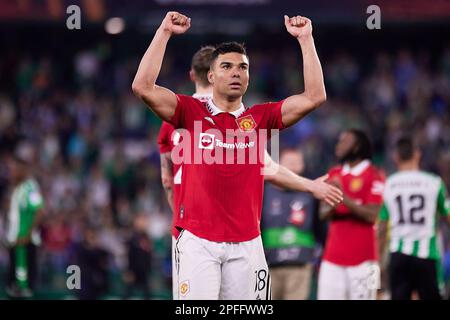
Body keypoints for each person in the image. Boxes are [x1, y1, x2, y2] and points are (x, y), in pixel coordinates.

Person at [133, 11, 330, 299]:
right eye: (227, 66)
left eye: (243, 67)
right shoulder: (190, 112)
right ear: (210, 76)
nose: (236, 72)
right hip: (198, 242)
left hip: (248, 245)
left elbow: (315, 96)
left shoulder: (261, 117)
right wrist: (163, 32)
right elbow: (142, 87)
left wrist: (306, 39)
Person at [378, 136, 450, 300]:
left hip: (398, 254)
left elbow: (382, 227)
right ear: (417, 155)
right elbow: (448, 216)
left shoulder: (389, 184)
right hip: (427, 254)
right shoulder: (434, 182)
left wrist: (377, 262)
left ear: (395, 157)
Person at [318, 129, 385, 300]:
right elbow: (322, 213)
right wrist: (335, 201)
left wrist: (343, 197)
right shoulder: (334, 173)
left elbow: (372, 215)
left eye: (344, 141)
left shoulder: (375, 175)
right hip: (332, 258)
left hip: (367, 260)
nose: (338, 145)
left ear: (356, 147)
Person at [261, 149, 327, 300]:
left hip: (300, 265)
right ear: (278, 165)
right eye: (289, 162)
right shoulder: (263, 191)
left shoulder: (311, 194)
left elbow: (319, 227)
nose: (293, 166)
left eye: (297, 162)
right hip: (268, 265)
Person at [4, 142, 44, 299]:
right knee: (14, 284)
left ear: (22, 169)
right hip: (15, 239)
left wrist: (28, 233)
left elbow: (39, 211)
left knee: (25, 286)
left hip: (25, 240)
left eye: (14, 169)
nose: (11, 172)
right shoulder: (15, 188)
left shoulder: (30, 187)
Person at [123, 214, 153, 299]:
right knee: (127, 293)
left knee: (147, 294)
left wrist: (148, 268)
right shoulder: (133, 237)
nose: (143, 223)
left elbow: (148, 254)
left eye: (144, 221)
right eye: (140, 221)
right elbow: (130, 255)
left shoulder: (146, 237)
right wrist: (129, 271)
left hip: (144, 271)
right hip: (134, 270)